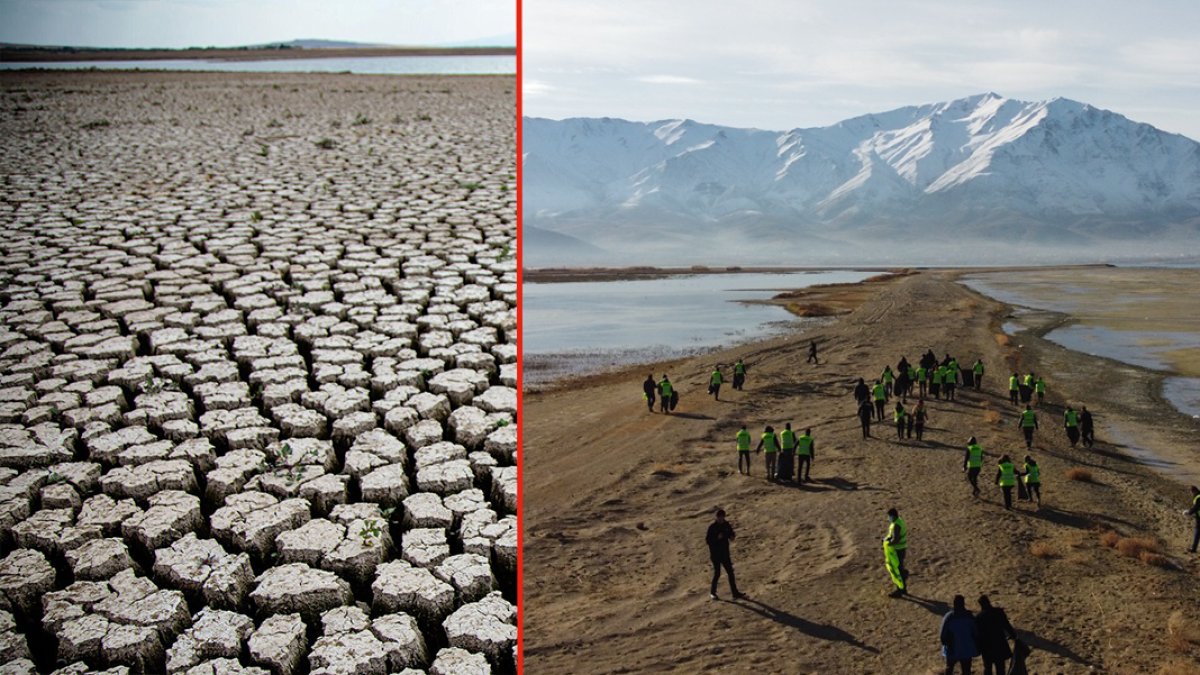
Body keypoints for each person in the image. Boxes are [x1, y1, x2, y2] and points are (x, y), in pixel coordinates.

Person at [975, 595, 1017, 675]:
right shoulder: (998, 612)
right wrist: (1013, 636)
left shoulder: (979, 617)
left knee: (988, 668)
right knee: (1000, 667)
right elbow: (1006, 625)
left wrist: (978, 647)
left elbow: (978, 634)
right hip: (999, 643)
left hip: (986, 646)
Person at [707, 509, 742, 600]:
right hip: (715, 555)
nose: (721, 519)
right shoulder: (712, 527)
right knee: (717, 573)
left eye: (722, 517)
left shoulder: (726, 525)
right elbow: (708, 541)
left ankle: (735, 593)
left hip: (725, 554)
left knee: (730, 573)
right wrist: (717, 538)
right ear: (717, 517)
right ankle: (712, 593)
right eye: (719, 517)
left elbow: (731, 533)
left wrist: (732, 536)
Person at [940, 595, 980, 675]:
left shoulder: (949, 617)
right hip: (967, 648)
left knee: (949, 668)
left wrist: (945, 644)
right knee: (966, 670)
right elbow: (976, 632)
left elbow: (943, 634)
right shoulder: (969, 617)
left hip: (952, 648)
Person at [884, 508, 908, 596]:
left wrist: (888, 543)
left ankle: (900, 590)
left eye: (889, 516)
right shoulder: (899, 521)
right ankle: (903, 586)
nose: (888, 518)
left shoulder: (896, 525)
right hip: (902, 549)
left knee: (897, 570)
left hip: (898, 550)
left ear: (893, 516)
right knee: (900, 568)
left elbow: (896, 539)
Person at [1185, 486, 1200, 554]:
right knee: (1197, 532)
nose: (1191, 494)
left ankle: (1193, 548)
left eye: (1191, 492)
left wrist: (1189, 512)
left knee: (1197, 532)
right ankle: (1193, 548)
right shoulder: (1198, 496)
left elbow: (1196, 507)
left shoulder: (1198, 497)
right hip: (1198, 517)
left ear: (1194, 491)